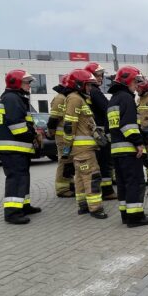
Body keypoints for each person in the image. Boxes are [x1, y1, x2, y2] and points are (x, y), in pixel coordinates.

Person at [0, 69, 42, 224]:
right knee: (15, 179)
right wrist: (32, 135)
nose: (29, 85)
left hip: (18, 148)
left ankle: (23, 205)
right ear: (16, 82)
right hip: (13, 148)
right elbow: (18, 127)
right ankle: (12, 213)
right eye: (27, 82)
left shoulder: (17, 98)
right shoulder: (12, 99)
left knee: (23, 177)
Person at [108, 66, 148, 227]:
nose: (137, 85)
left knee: (123, 184)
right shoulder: (127, 99)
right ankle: (135, 217)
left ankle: (126, 215)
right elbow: (128, 126)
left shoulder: (113, 99)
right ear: (127, 80)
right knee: (135, 182)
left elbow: (114, 127)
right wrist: (139, 143)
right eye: (135, 81)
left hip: (117, 151)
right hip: (129, 149)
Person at [63, 69, 108, 219]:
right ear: (78, 84)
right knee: (92, 176)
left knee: (81, 178)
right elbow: (69, 125)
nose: (90, 88)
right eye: (88, 85)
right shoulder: (75, 99)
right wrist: (66, 147)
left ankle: (83, 205)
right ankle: (95, 208)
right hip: (83, 149)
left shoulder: (78, 98)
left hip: (81, 149)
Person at [84, 62, 117, 200]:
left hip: (97, 132)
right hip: (101, 133)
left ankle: (106, 189)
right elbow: (107, 108)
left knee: (103, 162)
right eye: (97, 75)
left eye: (101, 75)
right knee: (105, 162)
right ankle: (107, 191)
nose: (100, 78)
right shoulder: (95, 91)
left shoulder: (90, 91)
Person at [47, 75, 75, 197]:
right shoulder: (60, 98)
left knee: (69, 161)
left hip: (67, 137)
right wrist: (51, 133)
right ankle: (62, 188)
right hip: (62, 138)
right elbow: (53, 119)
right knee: (64, 160)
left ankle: (69, 183)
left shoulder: (67, 97)